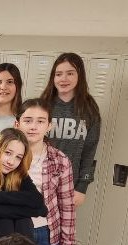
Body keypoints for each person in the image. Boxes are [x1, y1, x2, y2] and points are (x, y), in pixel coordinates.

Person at [15, 98, 75, 245]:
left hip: (47, 234)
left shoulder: (60, 160)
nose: (33, 126)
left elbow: (67, 206)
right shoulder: (6, 156)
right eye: (28, 120)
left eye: (40, 121)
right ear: (17, 124)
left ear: (49, 125)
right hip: (14, 230)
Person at [41, 52, 101, 208]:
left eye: (70, 73)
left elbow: (89, 151)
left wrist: (82, 188)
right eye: (59, 74)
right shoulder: (42, 106)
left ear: (79, 76)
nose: (63, 79)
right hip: (38, 181)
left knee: (63, 231)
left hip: (69, 186)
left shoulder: (89, 109)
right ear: (53, 78)